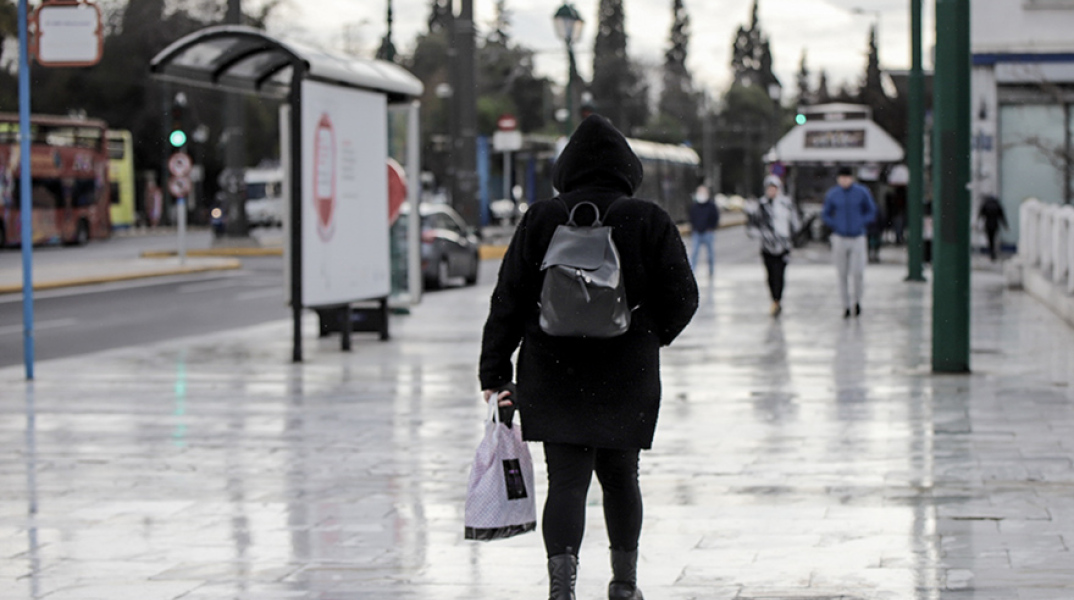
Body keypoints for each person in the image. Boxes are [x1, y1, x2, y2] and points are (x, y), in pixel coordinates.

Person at [479, 115, 699, 600]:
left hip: (553, 371)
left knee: (567, 483)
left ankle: (562, 591)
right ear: (627, 169)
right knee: (622, 479)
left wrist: (494, 369)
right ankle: (624, 586)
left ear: (566, 169)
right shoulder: (648, 219)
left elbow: (508, 297)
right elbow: (684, 296)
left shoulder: (541, 218)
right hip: (628, 373)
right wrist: (647, 335)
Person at [822, 166, 877, 318]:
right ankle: (845, 304)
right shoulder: (833, 194)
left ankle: (857, 301)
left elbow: (871, 210)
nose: (844, 180)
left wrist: (861, 222)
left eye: (847, 177)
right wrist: (834, 224)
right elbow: (826, 213)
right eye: (842, 178)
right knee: (842, 273)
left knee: (858, 272)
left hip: (857, 236)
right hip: (840, 236)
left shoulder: (861, 192)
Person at [746, 175, 800, 317]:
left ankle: (777, 299)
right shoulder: (761, 206)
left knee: (780, 274)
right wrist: (763, 235)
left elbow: (795, 224)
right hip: (767, 247)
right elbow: (752, 227)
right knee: (770, 275)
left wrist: (790, 238)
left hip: (783, 247)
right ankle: (774, 299)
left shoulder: (786, 204)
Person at [688, 184, 719, 277]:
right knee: (694, 253)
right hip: (697, 232)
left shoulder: (711, 206)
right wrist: (693, 228)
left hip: (708, 233)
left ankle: (711, 271)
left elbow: (716, 217)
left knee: (710, 254)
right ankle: (692, 271)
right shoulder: (695, 206)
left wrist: (711, 227)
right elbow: (691, 217)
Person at [977, 195, 1008, 261]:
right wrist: (1005, 226)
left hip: (987, 225)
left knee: (990, 239)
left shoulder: (985, 205)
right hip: (995, 225)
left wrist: (978, 224)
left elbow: (980, 215)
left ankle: (991, 252)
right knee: (994, 239)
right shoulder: (997, 205)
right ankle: (993, 253)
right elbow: (1002, 216)